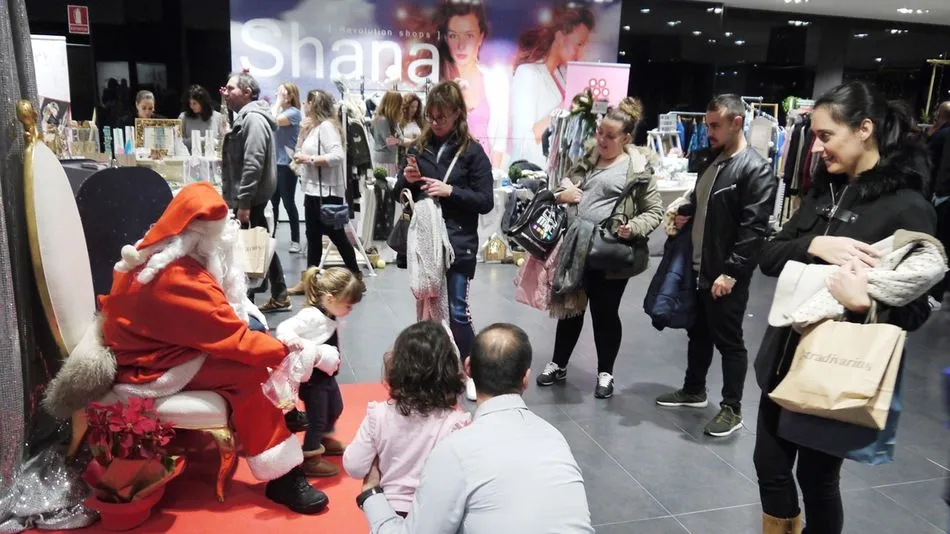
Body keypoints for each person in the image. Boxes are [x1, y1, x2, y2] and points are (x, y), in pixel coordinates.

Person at [752, 81, 937, 534]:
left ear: (864, 129)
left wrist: (866, 302)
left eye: (826, 135)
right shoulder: (825, 192)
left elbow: (918, 306)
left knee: (817, 478)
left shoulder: (907, 207)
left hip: (839, 367)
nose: (817, 148)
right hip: (783, 359)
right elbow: (770, 255)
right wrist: (817, 243)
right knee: (770, 465)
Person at [96, 182, 328, 514]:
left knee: (256, 348)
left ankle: (281, 417)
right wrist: (289, 352)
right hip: (152, 366)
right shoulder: (179, 279)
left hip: (159, 349)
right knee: (249, 375)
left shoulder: (156, 253)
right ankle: (282, 475)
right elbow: (236, 340)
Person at [356, 324, 593, 534]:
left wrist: (371, 495)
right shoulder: (555, 438)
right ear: (526, 378)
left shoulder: (455, 449)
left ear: (468, 367)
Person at [654, 94, 775, 437]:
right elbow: (703, 201)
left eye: (715, 125)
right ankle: (694, 390)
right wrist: (686, 213)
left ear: (737, 122)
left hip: (724, 273)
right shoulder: (713, 159)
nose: (708, 131)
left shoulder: (755, 169)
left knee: (728, 340)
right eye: (708, 124)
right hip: (700, 266)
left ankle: (732, 408)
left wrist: (731, 272)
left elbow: (753, 230)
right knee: (699, 332)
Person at [535, 97, 663, 399]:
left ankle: (606, 372)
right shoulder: (588, 160)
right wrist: (563, 193)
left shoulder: (637, 168)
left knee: (605, 313)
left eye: (610, 135)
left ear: (626, 138)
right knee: (571, 309)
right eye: (600, 133)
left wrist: (634, 228)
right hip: (576, 247)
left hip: (610, 250)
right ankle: (559, 363)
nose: (602, 140)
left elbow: (654, 210)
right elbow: (565, 189)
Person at [395, 81, 494, 401]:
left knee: (458, 310)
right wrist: (406, 181)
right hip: (427, 241)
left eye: (441, 117)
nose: (435, 123)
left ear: (456, 115)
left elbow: (486, 201)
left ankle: (471, 370)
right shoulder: (419, 146)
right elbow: (401, 190)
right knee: (427, 308)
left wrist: (451, 191)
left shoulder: (473, 152)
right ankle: (437, 370)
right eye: (431, 117)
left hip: (459, 240)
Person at [343, 321, 471, 517]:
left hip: (386, 511)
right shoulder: (456, 423)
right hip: (435, 517)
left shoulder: (378, 416)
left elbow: (354, 466)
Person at [276, 267, 365, 478]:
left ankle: (323, 438)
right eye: (348, 306)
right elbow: (284, 327)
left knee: (336, 407)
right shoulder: (311, 315)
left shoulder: (328, 312)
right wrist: (291, 339)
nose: (350, 310)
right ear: (330, 298)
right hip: (313, 380)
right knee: (317, 417)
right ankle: (311, 457)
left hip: (326, 375)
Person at [221, 71, 291, 313]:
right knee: (259, 245)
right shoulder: (250, 117)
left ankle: (248, 296)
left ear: (247, 92)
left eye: (231, 89)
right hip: (252, 197)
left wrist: (244, 201)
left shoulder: (253, 119)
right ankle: (278, 293)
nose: (226, 93)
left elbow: (253, 162)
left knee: (250, 246)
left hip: (251, 198)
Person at [509, 5, 595, 167]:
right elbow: (524, 137)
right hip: (532, 170)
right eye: (579, 44)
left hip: (557, 169)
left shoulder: (562, 76)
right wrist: (567, 105)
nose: (580, 53)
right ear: (560, 37)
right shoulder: (527, 73)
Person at [291, 90, 360, 278]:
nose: (304, 105)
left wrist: (309, 159)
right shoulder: (314, 127)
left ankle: (355, 273)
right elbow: (299, 151)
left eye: (307, 102)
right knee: (312, 237)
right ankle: (310, 280)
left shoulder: (327, 127)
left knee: (336, 235)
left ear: (313, 104)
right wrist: (301, 135)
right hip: (313, 190)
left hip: (327, 191)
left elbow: (338, 156)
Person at [433, 0, 508, 167]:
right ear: (445, 38)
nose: (461, 45)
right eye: (453, 35)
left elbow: (501, 136)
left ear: (481, 37)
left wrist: (494, 172)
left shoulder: (495, 80)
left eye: (469, 35)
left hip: (481, 167)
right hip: (449, 167)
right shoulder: (439, 83)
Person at [272, 82, 304, 254]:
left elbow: (272, 121)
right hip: (275, 163)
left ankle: (295, 240)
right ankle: (271, 237)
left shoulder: (294, 113)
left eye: (282, 92)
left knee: (288, 202)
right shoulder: (282, 111)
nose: (279, 94)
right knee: (273, 202)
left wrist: (277, 102)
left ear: (290, 96)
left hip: (287, 164)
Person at [928, 101, 950, 306]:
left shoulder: (943, 134)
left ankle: (935, 294)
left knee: (941, 243)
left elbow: (938, 165)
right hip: (943, 194)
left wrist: (938, 193)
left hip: (942, 196)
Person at [372, 91, 404, 176]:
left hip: (389, 160)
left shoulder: (390, 120)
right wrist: (399, 141)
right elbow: (391, 144)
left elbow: (400, 140)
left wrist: (398, 141)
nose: (401, 107)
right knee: (387, 185)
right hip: (385, 161)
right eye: (400, 104)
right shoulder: (383, 120)